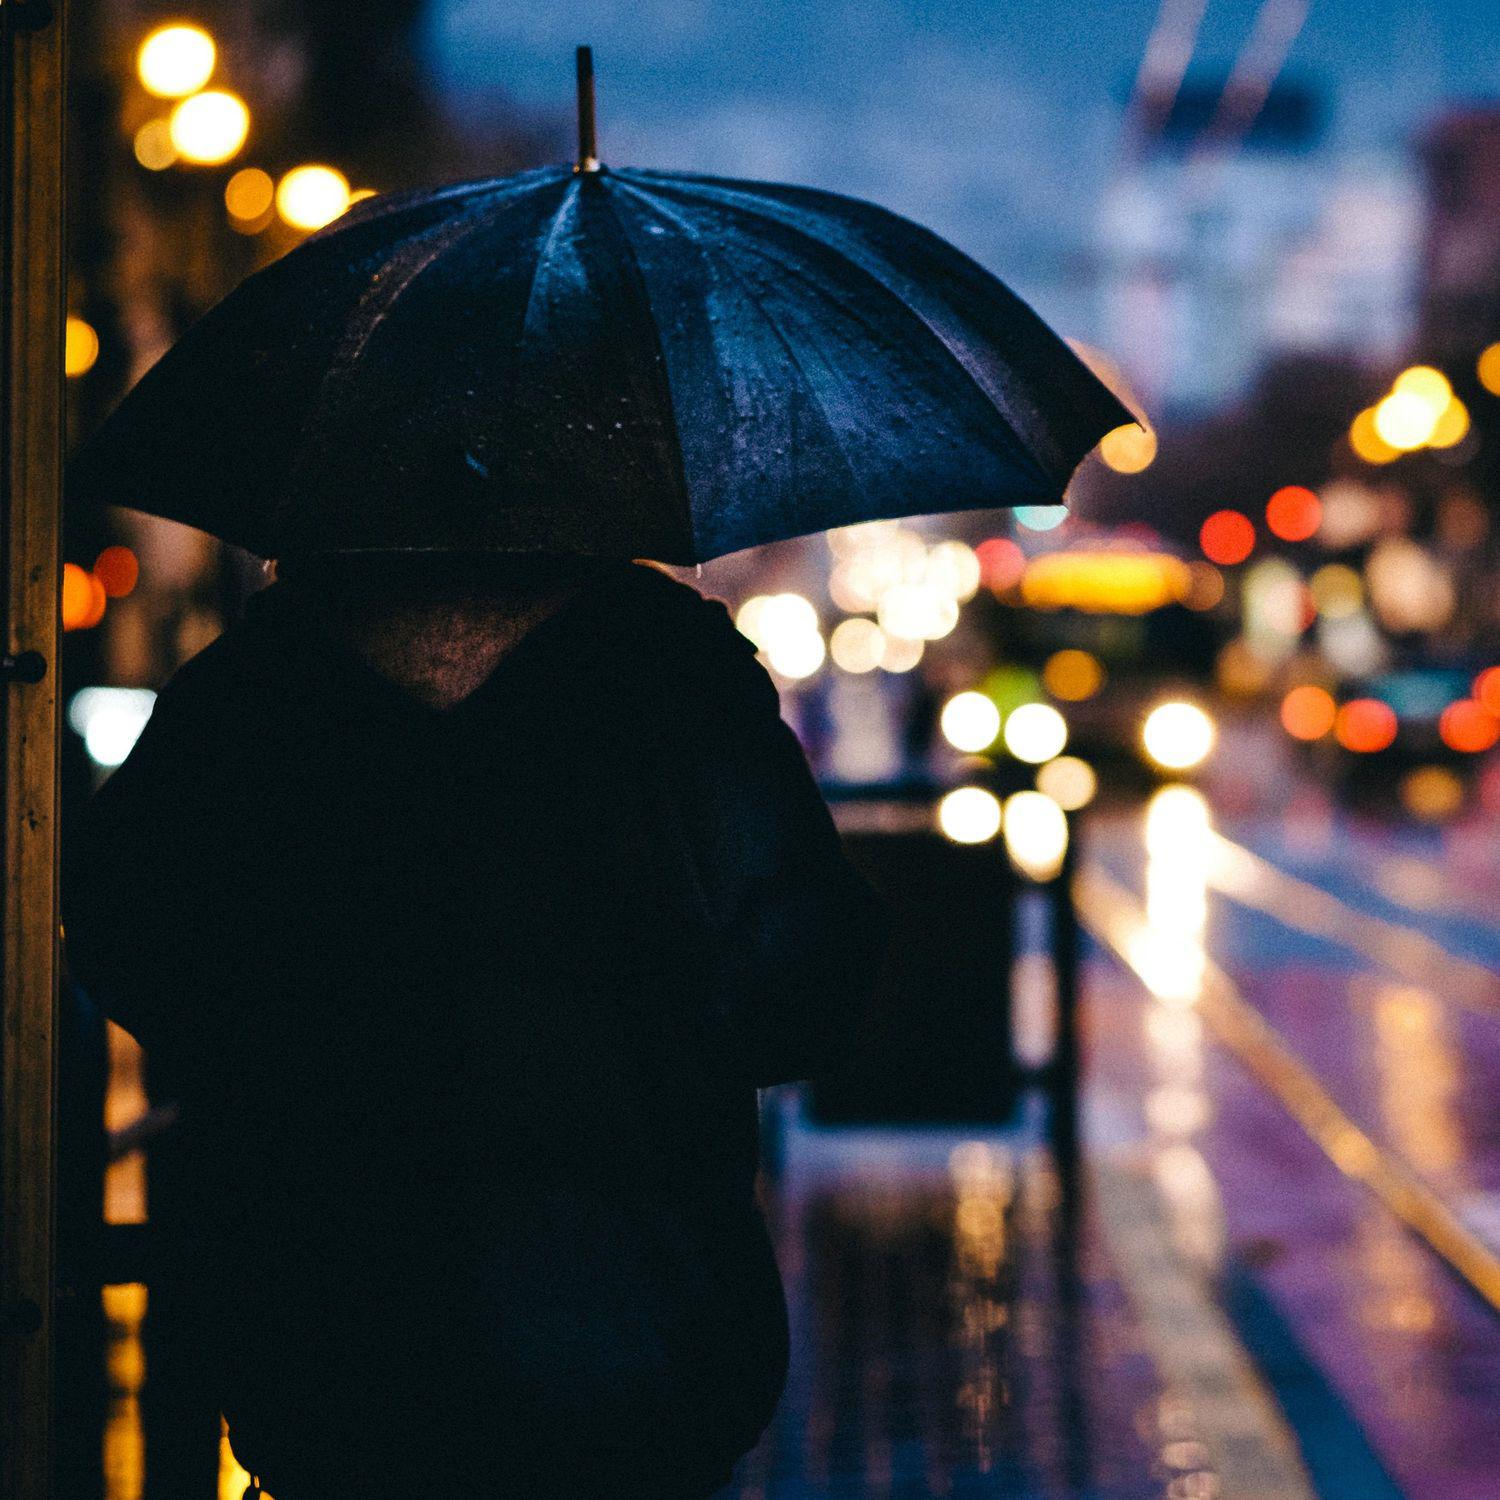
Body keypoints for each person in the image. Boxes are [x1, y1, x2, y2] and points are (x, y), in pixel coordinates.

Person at [63, 550, 892, 1499]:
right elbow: (809, 985)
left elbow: (126, 928)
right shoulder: (667, 667)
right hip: (634, 1314)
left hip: (331, 1329)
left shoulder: (259, 680)